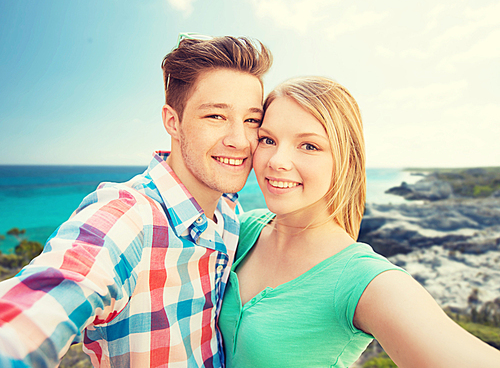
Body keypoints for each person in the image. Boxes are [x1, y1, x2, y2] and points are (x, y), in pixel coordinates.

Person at [0, 33, 272, 367]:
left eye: (252, 120)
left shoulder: (229, 214)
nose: (240, 140)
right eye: (215, 116)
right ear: (173, 121)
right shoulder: (129, 217)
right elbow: (34, 310)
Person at [219, 76, 500, 367]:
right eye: (268, 140)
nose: (277, 160)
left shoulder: (364, 280)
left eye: (309, 146)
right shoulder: (242, 229)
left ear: (347, 161)